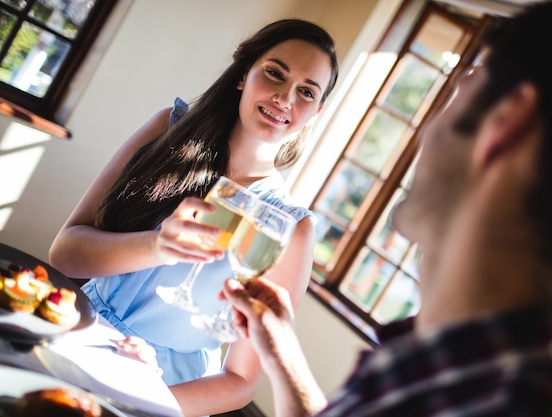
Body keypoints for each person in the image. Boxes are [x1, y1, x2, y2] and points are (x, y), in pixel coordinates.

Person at [221, 0, 552, 416]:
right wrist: (283, 354)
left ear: (504, 129)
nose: (421, 138)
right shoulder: (479, 380)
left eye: (455, 99)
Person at [48, 19, 339, 417]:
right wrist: (157, 246)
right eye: (274, 73)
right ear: (242, 75)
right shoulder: (166, 129)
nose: (285, 98)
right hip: (71, 333)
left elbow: (240, 381)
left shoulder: (292, 228)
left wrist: (135, 397)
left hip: (159, 391)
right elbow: (65, 254)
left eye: (306, 92)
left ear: (316, 111)